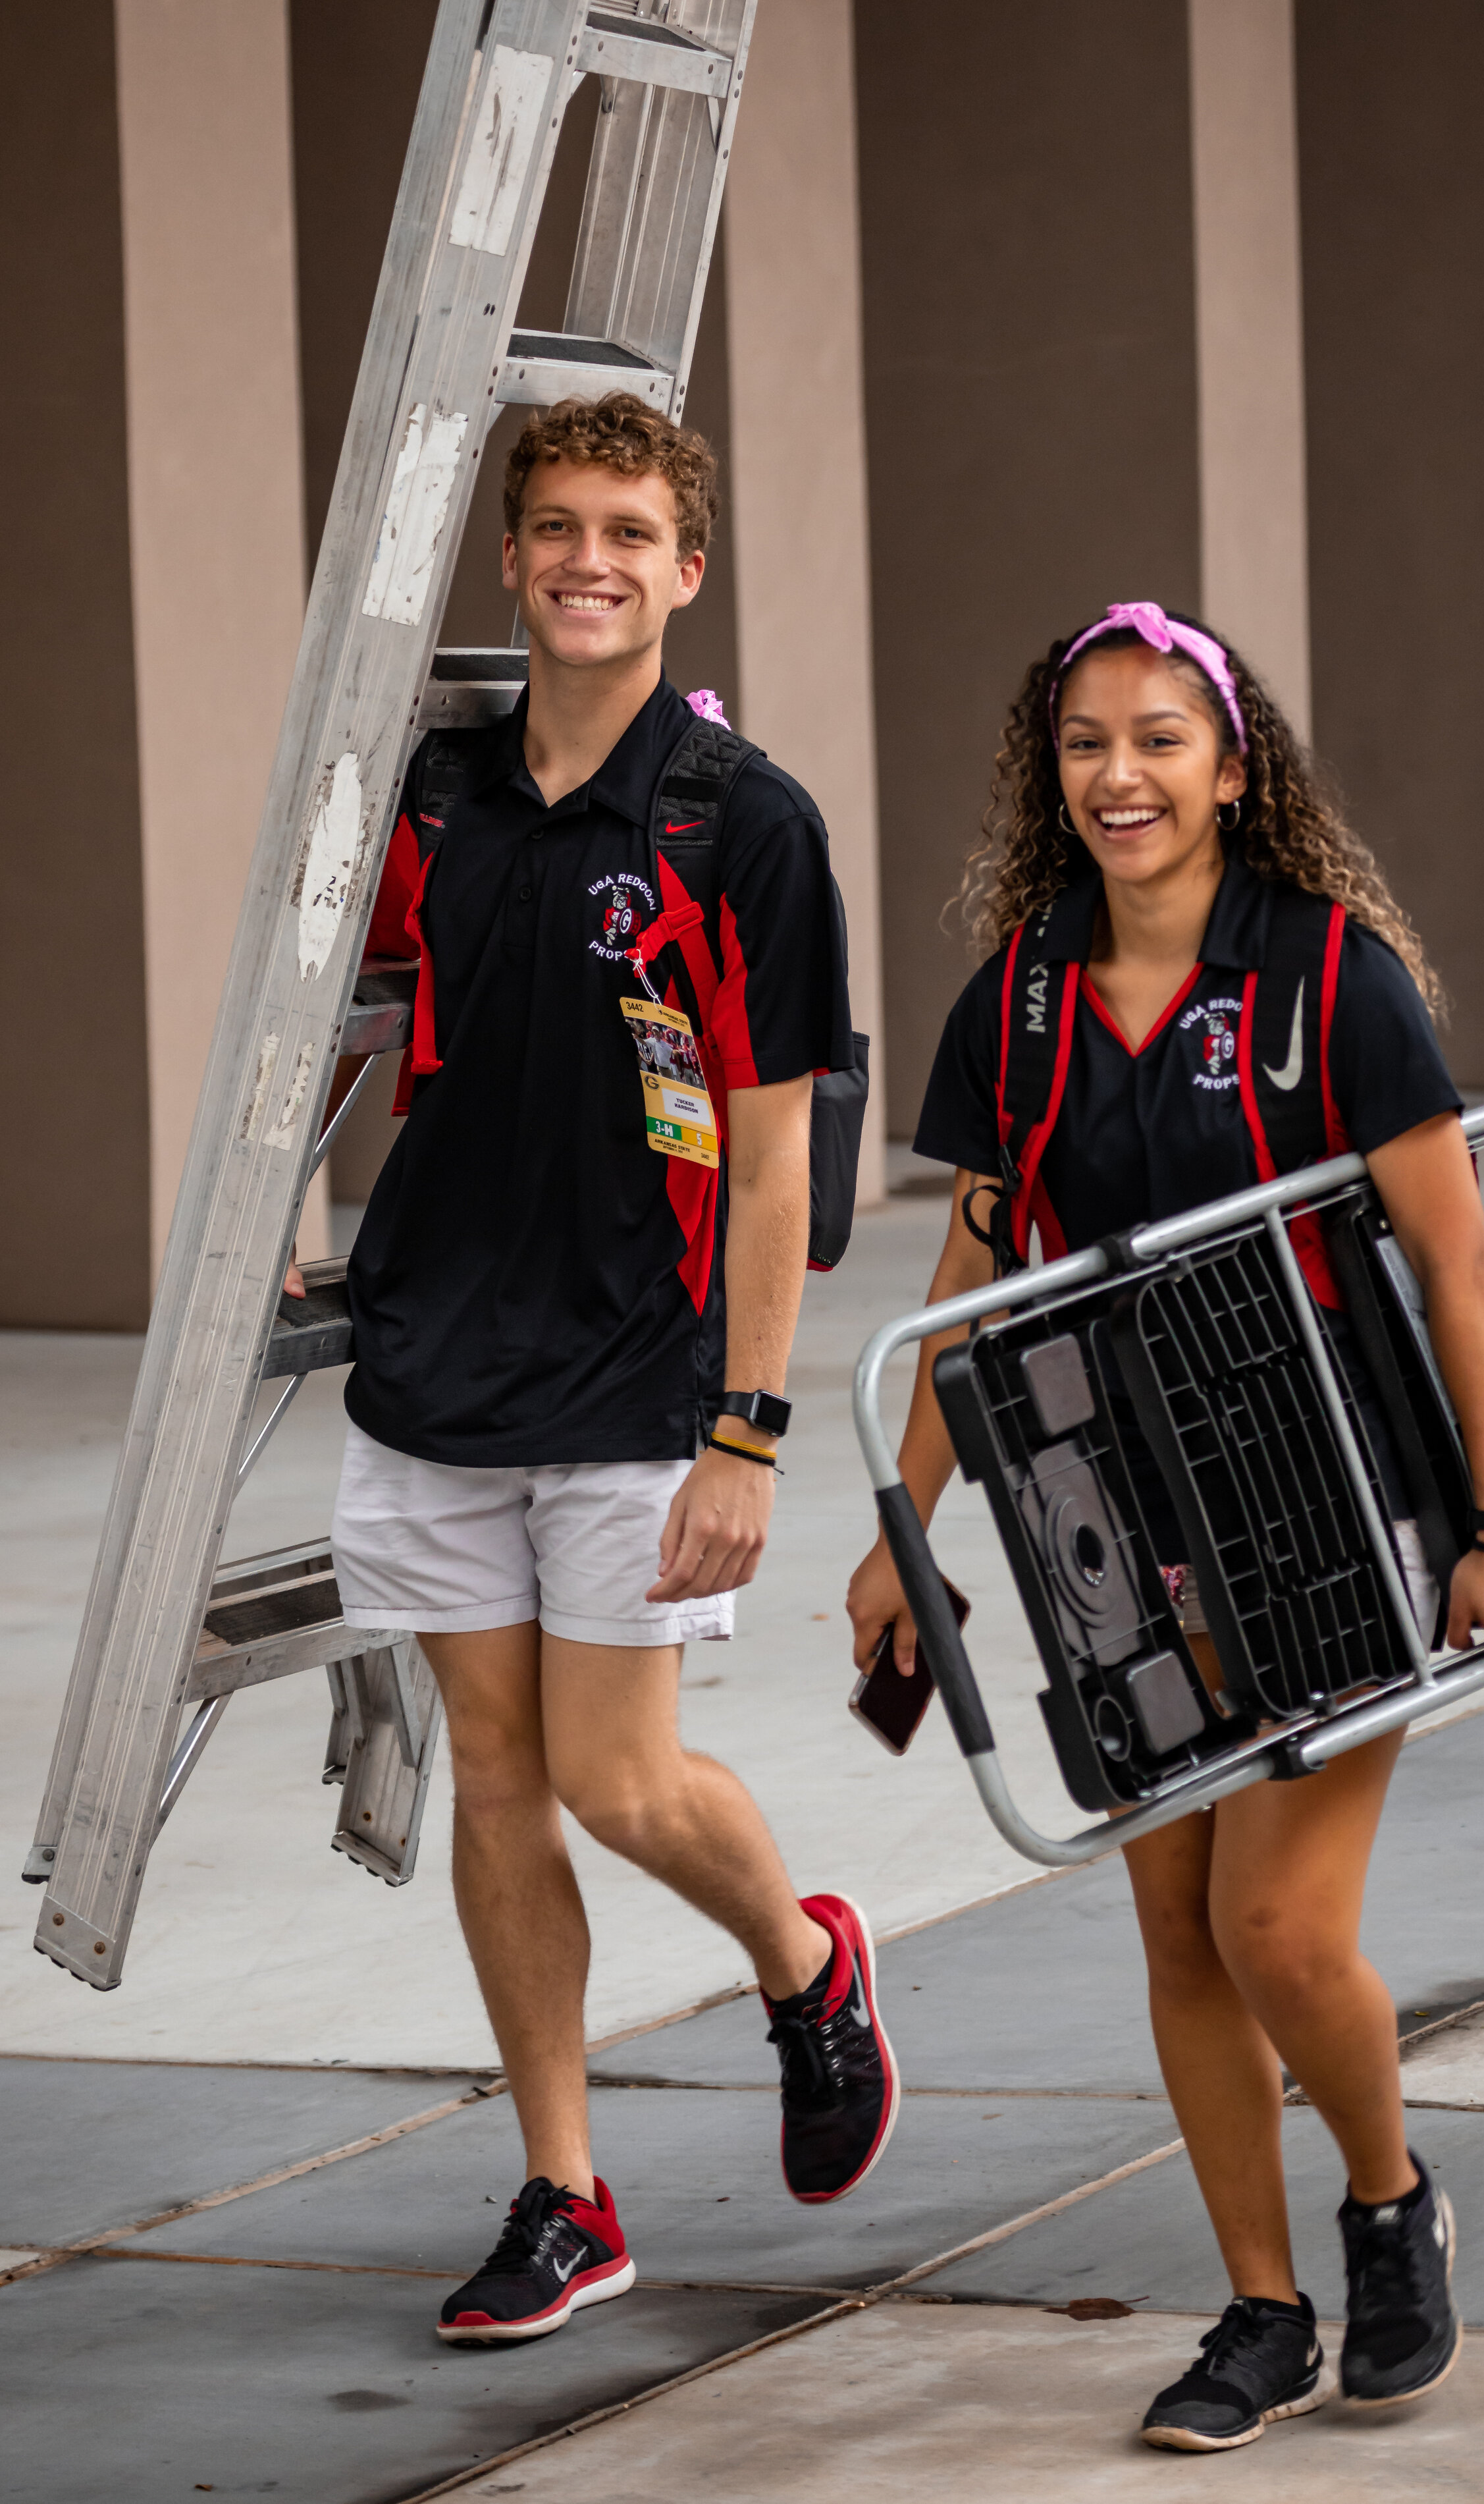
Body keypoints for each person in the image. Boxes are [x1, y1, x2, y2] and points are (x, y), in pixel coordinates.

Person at [845, 603, 1484, 2453]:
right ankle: (1254, 2307)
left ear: (1232, 767)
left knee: (1274, 1925)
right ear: (1046, 771)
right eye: (1085, 742)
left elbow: (1457, 1280)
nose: (1120, 775)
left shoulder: (1331, 979)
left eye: (1159, 737)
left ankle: (1389, 2204)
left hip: (1338, 1488)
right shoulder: (1014, 996)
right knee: (1173, 1922)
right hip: (1118, 1503)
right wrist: (904, 1530)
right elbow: (968, 1273)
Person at [311, 394, 899, 2345]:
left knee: (615, 1776)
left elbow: (774, 1149)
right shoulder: (434, 802)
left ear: (686, 570)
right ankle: (565, 2191)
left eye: (628, 532)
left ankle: (803, 1961)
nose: (589, 559)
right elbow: (355, 1030)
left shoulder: (748, 823)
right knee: (495, 1779)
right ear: (511, 557)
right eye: (556, 526)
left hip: (645, 1374)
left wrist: (749, 1425)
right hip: (434, 1361)